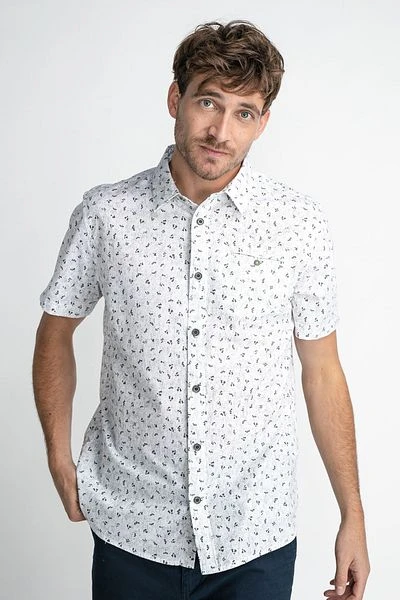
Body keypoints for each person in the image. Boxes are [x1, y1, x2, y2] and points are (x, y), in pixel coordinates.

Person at [32, 19, 370, 600]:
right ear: (176, 99)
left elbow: (322, 370)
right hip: (132, 527)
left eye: (244, 112)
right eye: (208, 101)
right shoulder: (107, 214)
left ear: (263, 123)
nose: (220, 131)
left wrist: (353, 514)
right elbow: (55, 331)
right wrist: (59, 459)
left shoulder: (298, 223)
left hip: (256, 535)